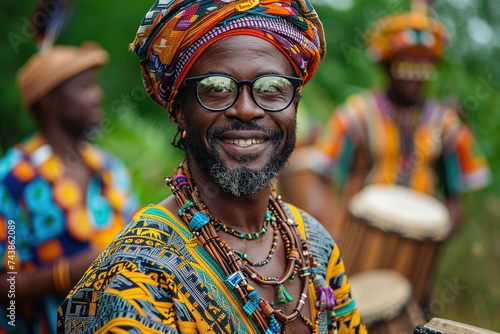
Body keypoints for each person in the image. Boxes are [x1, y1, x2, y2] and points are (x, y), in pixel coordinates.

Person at [57, 0, 367, 333]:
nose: (247, 110)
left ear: (295, 104)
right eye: (216, 89)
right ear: (178, 109)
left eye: (272, 88)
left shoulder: (314, 245)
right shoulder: (137, 276)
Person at [278, 7, 491, 239]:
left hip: (420, 245)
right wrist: (328, 233)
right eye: (405, 66)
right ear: (386, 67)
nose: (415, 75)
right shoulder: (355, 115)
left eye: (424, 68)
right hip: (357, 239)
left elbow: (455, 197)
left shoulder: (446, 124)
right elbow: (322, 177)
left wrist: (437, 237)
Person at [0, 42, 139, 333]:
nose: (97, 95)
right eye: (85, 87)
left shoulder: (110, 169)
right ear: (51, 102)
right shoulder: (12, 180)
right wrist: (66, 275)